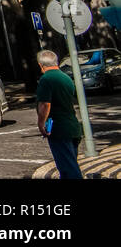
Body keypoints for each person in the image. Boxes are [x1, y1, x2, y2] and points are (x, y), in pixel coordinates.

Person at [36, 49, 84, 179]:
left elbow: (45, 104)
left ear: (41, 65)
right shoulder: (66, 78)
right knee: (69, 165)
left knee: (69, 170)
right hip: (73, 126)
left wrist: (41, 124)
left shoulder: (46, 79)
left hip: (58, 128)